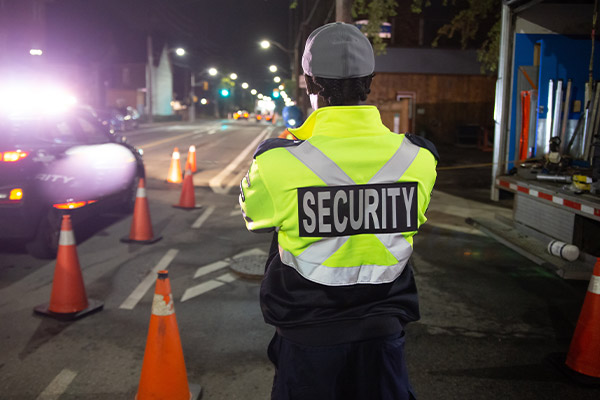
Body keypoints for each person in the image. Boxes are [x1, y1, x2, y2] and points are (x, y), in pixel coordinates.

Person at [240, 22, 438, 400]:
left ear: (309, 84)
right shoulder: (420, 157)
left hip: (309, 336)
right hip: (384, 333)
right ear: (370, 82)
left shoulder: (278, 161)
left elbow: (254, 217)